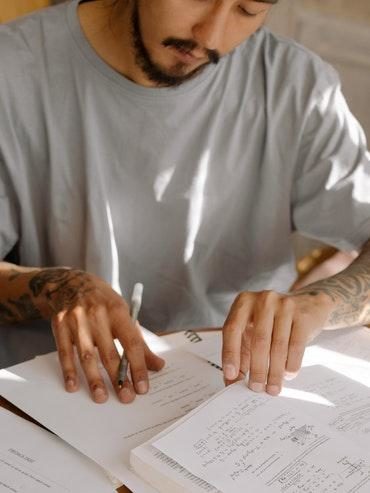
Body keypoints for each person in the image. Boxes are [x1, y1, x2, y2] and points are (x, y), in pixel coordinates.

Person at [0, 0, 369, 404]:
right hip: (54, 394)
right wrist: (56, 289)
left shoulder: (297, 87)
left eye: (247, 10)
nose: (209, 36)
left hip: (232, 394)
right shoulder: (13, 71)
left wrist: (321, 302)